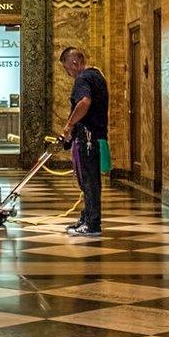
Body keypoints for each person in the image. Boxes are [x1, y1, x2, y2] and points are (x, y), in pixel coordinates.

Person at [58, 46, 109, 237]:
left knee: (89, 182)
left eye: (67, 69)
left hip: (87, 137)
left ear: (74, 63)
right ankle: (87, 217)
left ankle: (92, 224)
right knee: (89, 181)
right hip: (95, 136)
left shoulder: (82, 78)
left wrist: (69, 125)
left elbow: (85, 102)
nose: (68, 73)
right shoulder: (97, 75)